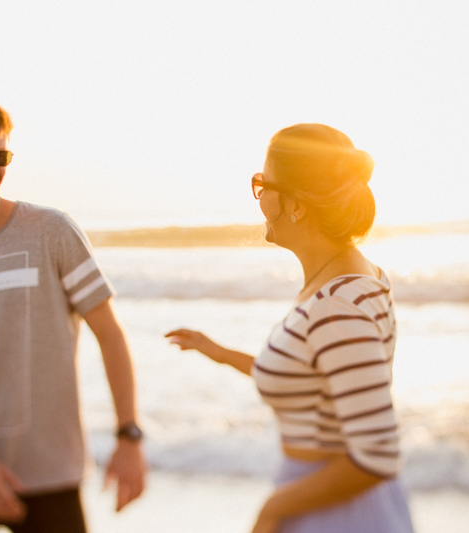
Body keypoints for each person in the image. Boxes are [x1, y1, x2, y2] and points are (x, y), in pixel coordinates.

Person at [166, 124, 415, 532]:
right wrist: (223, 354)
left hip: (338, 511)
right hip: (327, 499)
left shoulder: (337, 306)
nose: (259, 197)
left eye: (263, 184)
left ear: (297, 204)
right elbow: (316, 377)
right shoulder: (346, 280)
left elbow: (378, 454)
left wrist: (274, 509)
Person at [0, 92, 146, 532]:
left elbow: (109, 334)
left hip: (52, 477)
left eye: (1, 156)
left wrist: (129, 435)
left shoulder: (51, 232)